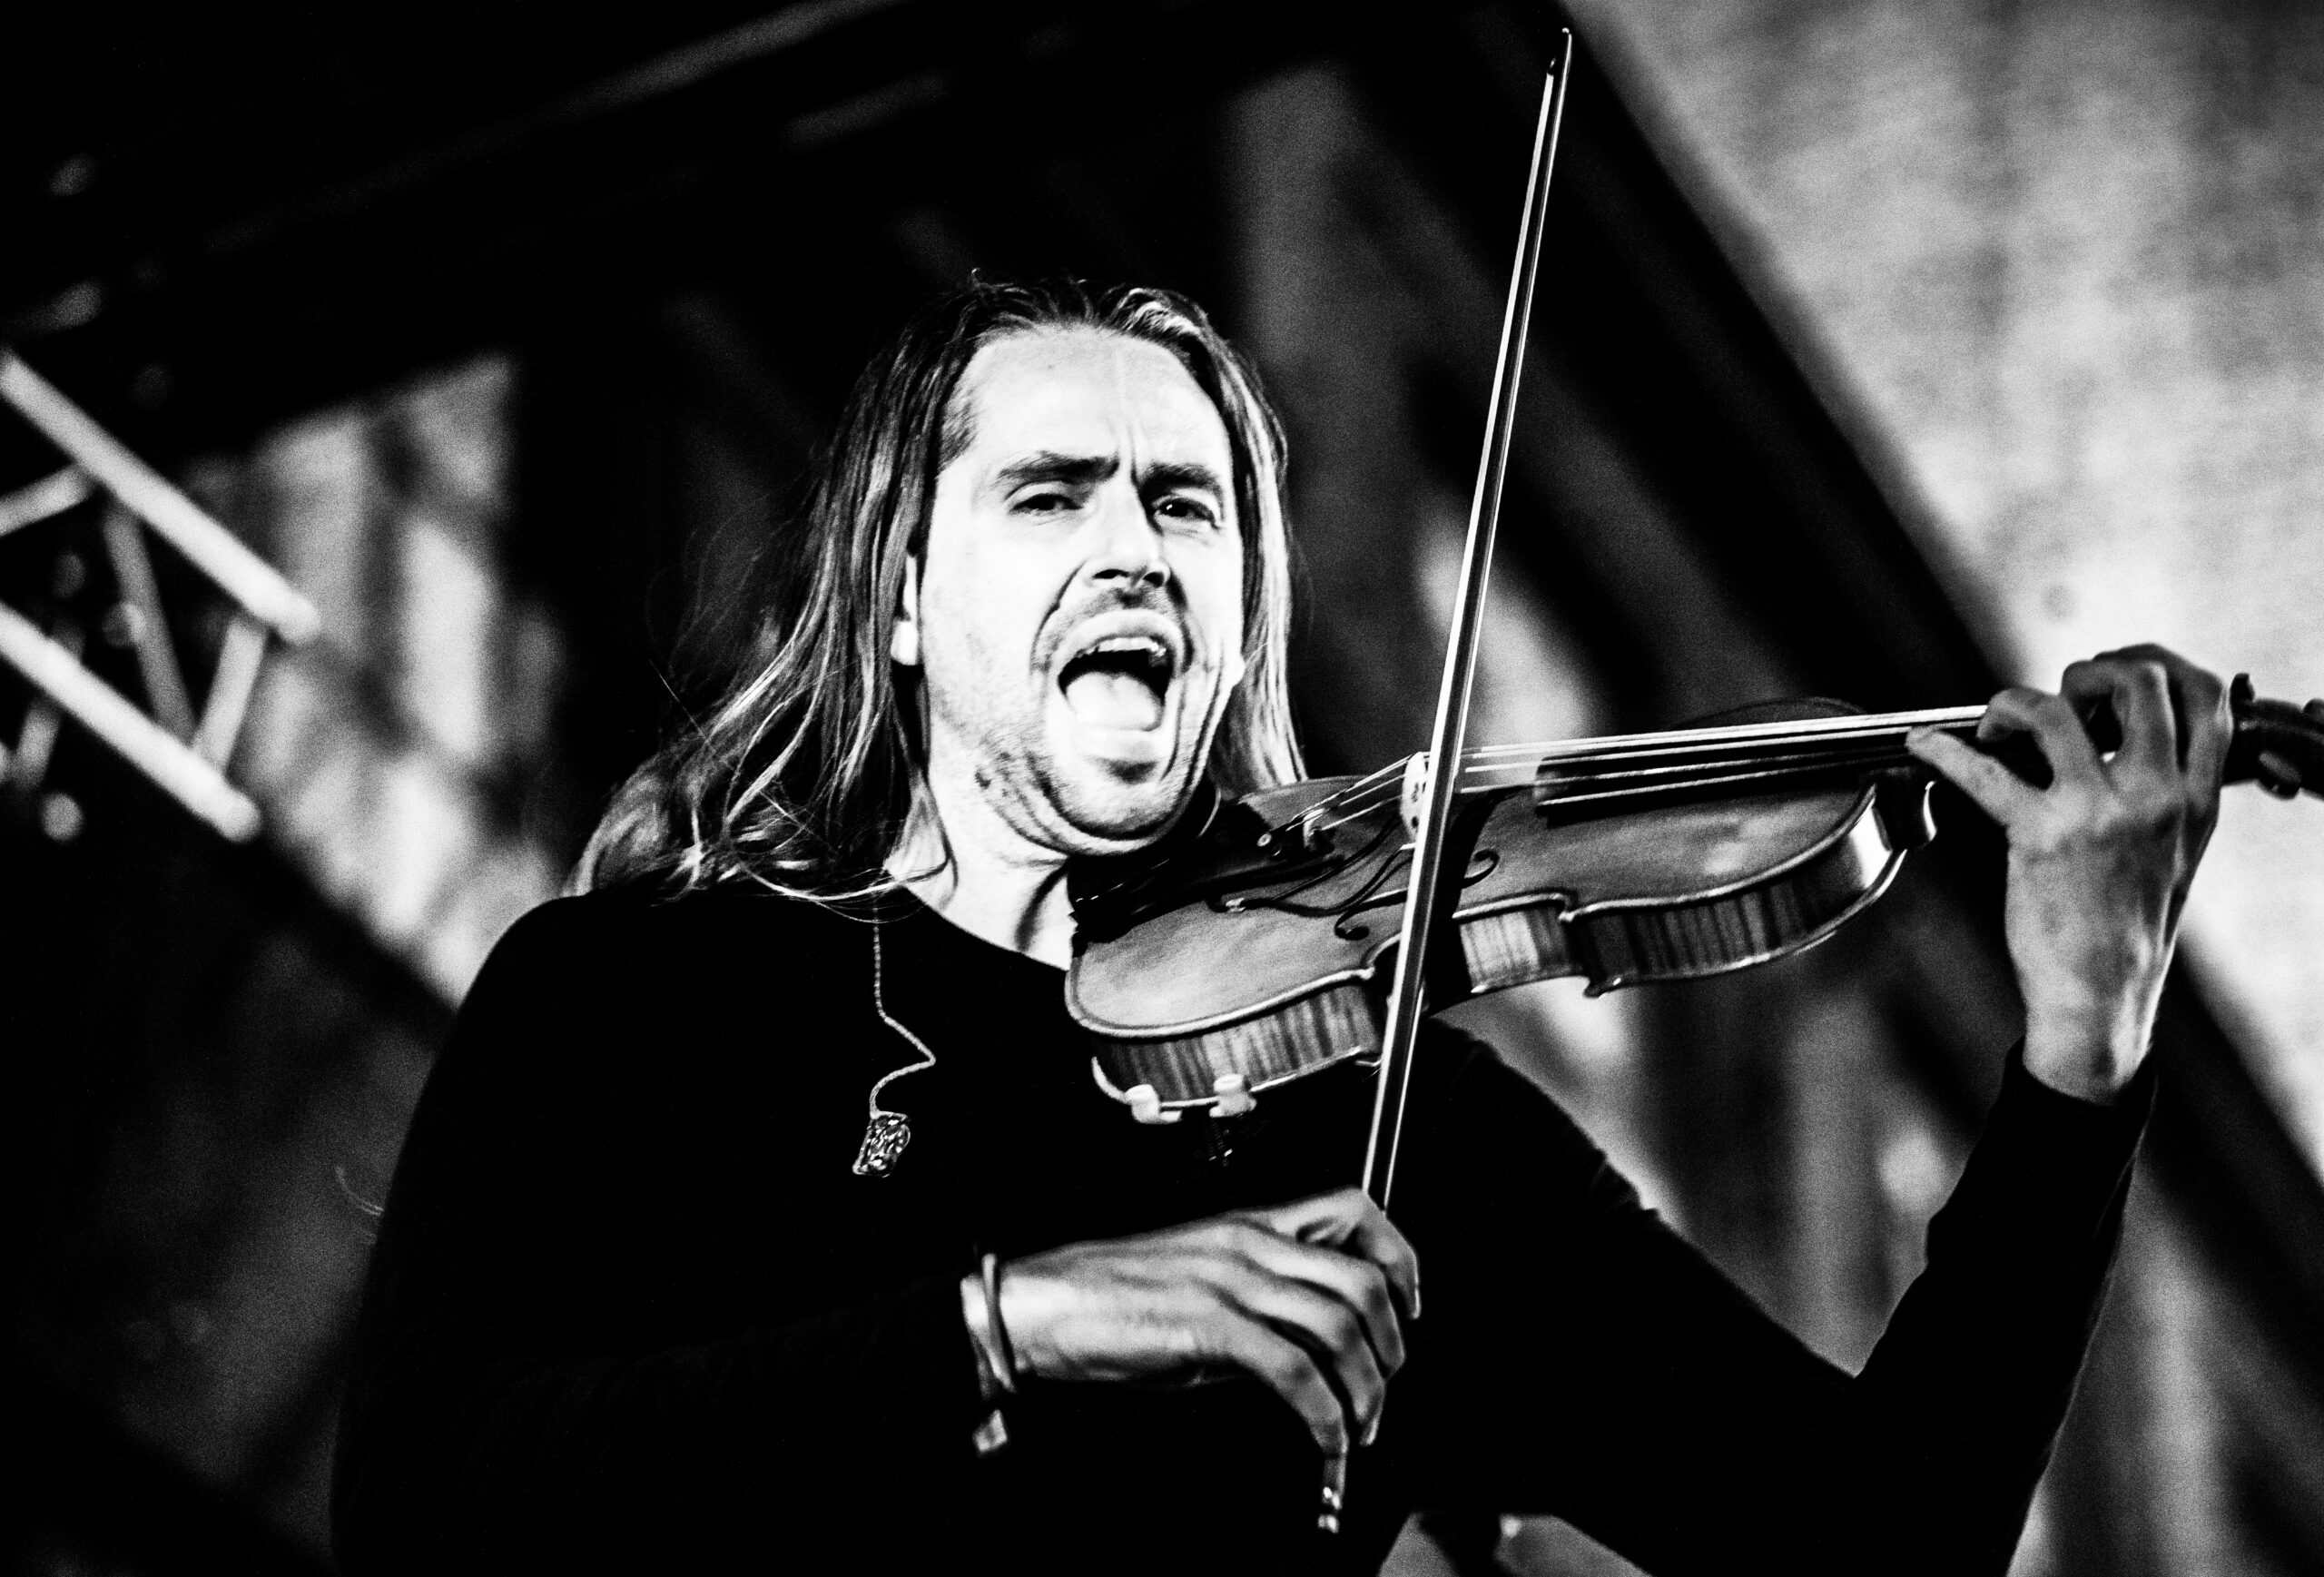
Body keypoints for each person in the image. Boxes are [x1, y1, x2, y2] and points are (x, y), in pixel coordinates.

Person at [330, 280, 2228, 1576]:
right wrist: (1012, 1323)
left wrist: (2085, 1045)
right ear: (896, 599)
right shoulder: (637, 993)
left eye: (1189, 506)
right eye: (1049, 494)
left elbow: (1880, 1544)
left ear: (1240, 613)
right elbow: (425, 1501)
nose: (1134, 547)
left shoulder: (1390, 1114)